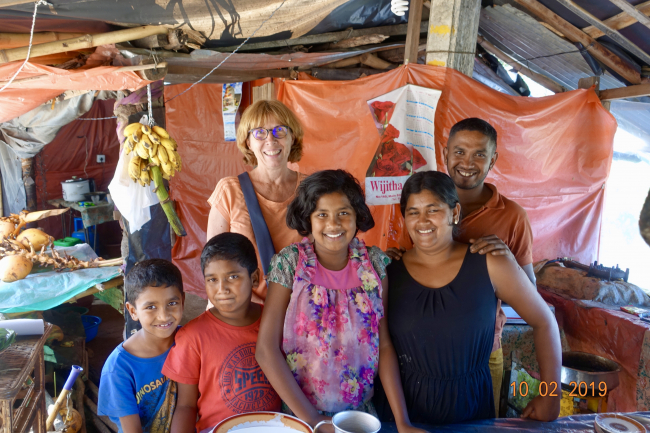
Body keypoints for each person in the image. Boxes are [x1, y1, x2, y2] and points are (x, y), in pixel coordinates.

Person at [376, 171, 561, 425]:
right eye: (413, 211)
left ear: (454, 213)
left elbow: (544, 321)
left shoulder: (490, 263)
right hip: (403, 413)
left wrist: (550, 396)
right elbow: (380, 348)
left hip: (471, 409)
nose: (422, 220)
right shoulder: (388, 271)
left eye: (433, 209)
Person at [256, 170, 425, 433]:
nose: (333, 224)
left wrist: (402, 421)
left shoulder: (375, 265)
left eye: (343, 213)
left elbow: (385, 346)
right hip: (302, 417)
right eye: (322, 214)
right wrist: (313, 420)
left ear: (357, 215)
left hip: (360, 419)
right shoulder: (291, 264)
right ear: (308, 219)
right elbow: (266, 350)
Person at [390, 118, 536, 415]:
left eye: (479, 154)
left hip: (480, 352)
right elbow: (410, 266)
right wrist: (392, 257)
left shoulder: (512, 216)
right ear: (445, 154)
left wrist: (504, 261)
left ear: (493, 159)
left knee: (476, 418)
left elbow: (530, 296)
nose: (467, 162)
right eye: (459, 152)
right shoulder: (419, 203)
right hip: (418, 352)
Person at [163, 233, 280, 433]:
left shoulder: (274, 323)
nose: (222, 289)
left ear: (254, 278)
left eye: (232, 277)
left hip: (276, 427)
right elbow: (186, 406)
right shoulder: (193, 337)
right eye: (212, 280)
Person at [207, 100, 307, 302]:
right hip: (244, 309)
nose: (271, 140)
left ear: (292, 137)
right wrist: (260, 307)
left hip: (302, 309)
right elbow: (213, 265)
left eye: (280, 130)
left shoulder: (311, 190)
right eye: (259, 132)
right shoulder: (229, 191)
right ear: (247, 142)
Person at [98, 259, 185, 433]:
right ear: (133, 311)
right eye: (151, 307)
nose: (163, 316)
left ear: (183, 300)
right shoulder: (119, 367)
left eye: (172, 303)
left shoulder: (190, 342)